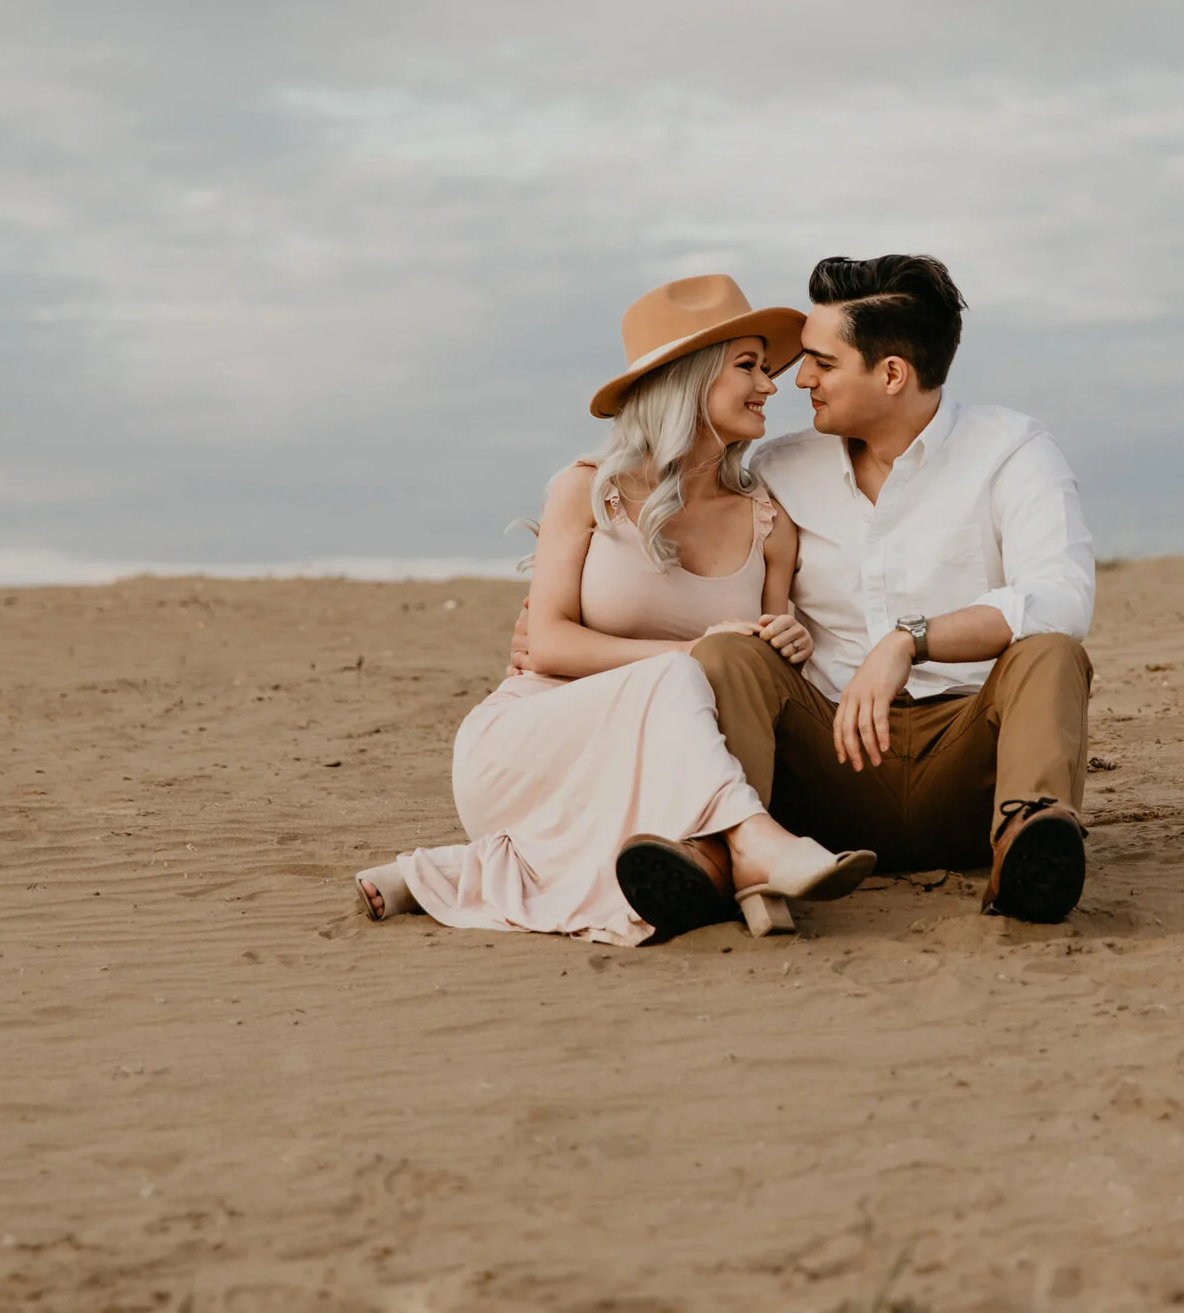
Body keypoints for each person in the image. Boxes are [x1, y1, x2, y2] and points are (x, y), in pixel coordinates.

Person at [354, 274, 875, 946]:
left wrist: (787, 643)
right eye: (747, 366)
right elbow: (547, 645)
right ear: (687, 380)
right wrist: (696, 652)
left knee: (684, 722)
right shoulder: (585, 489)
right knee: (680, 674)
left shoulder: (770, 522)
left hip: (657, 763)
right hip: (532, 743)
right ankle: (752, 844)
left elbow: (760, 672)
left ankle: (452, 872)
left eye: (765, 368)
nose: (770, 385)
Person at [623, 255, 1098, 926]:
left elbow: (1062, 595)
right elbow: (703, 560)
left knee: (1050, 650)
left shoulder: (1011, 449)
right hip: (827, 770)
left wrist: (910, 640)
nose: (799, 379)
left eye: (822, 362)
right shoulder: (780, 466)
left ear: (892, 373)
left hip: (970, 766)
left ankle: (1027, 844)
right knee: (732, 654)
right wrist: (574, 607)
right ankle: (716, 852)